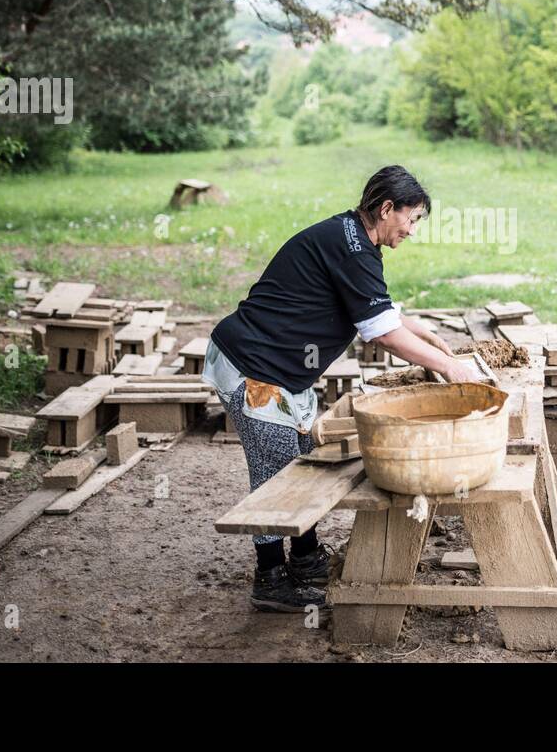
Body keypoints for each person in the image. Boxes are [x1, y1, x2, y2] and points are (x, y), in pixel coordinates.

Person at [203, 165, 481, 611]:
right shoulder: (352, 247)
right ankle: (270, 579)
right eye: (411, 219)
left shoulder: (351, 236)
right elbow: (380, 332)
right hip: (253, 365)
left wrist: (420, 329)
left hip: (278, 370)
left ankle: (307, 557)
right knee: (275, 477)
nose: (411, 230)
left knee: (292, 464)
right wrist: (449, 368)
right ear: (386, 209)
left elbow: (378, 311)